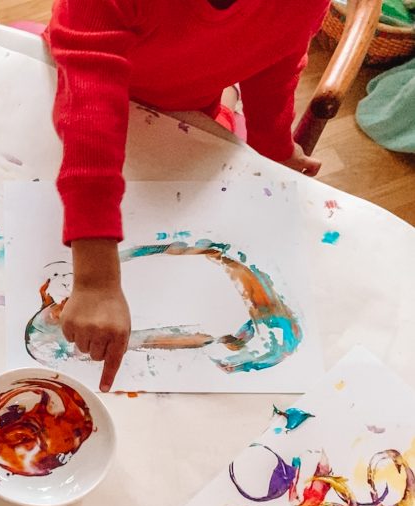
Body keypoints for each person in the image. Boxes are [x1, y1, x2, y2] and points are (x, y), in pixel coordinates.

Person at [45, 0, 329, 391]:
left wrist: (273, 147)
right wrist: (96, 278)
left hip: (187, 104)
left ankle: (225, 103)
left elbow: (276, 54)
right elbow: (90, 102)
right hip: (90, 87)